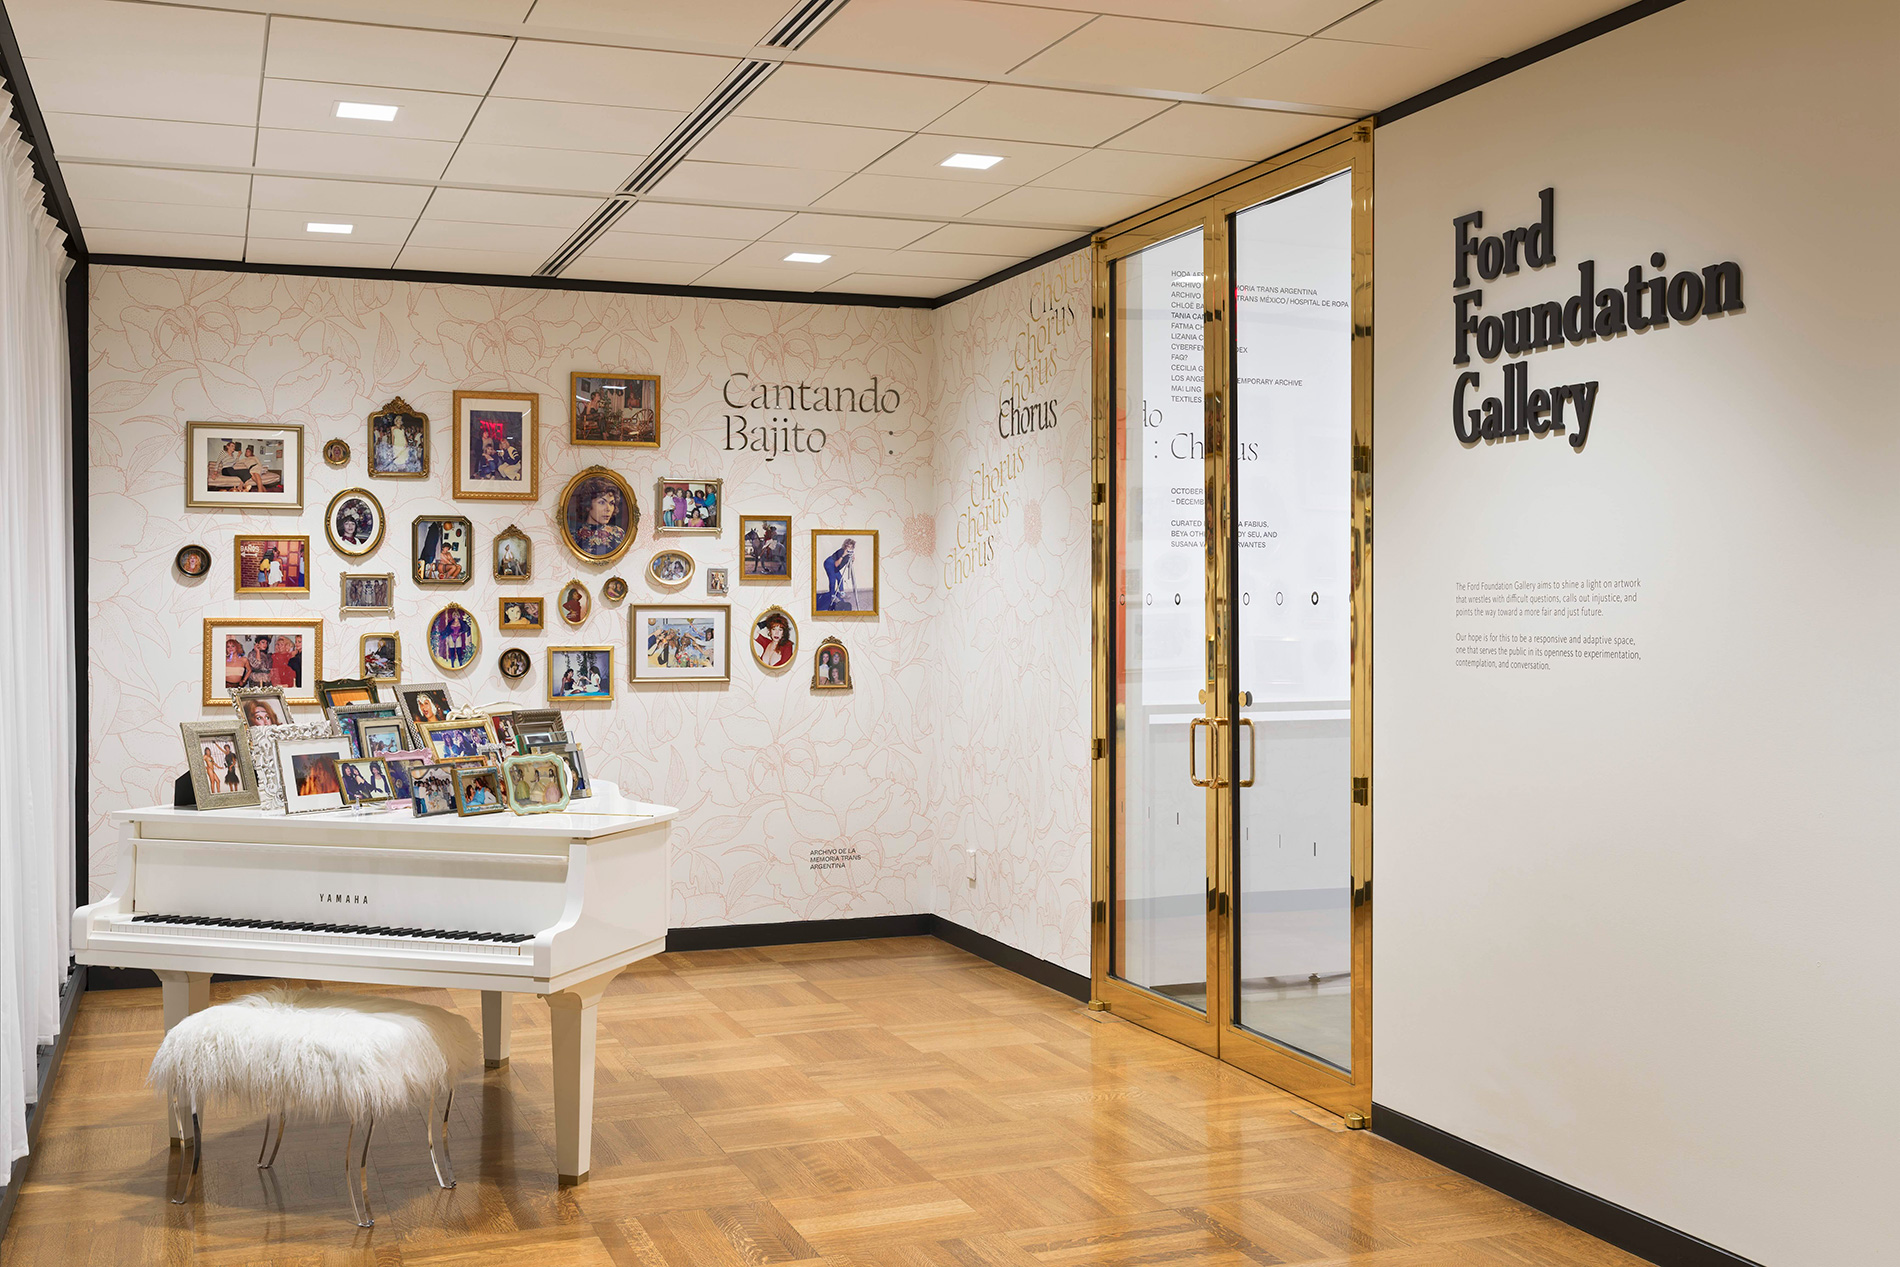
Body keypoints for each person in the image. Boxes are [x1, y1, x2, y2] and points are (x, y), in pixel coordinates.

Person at [572, 478, 626, 556]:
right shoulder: (575, 538)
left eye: (611, 503)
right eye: (601, 502)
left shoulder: (619, 533)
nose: (608, 509)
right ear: (587, 504)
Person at [820, 538, 858, 611]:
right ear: (845, 546)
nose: (850, 549)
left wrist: (852, 560)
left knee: (840, 578)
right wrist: (843, 556)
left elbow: (848, 567)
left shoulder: (849, 554)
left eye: (851, 547)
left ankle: (842, 593)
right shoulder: (841, 551)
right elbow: (836, 564)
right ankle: (832, 596)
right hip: (829, 563)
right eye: (848, 547)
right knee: (833, 579)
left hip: (834, 565)